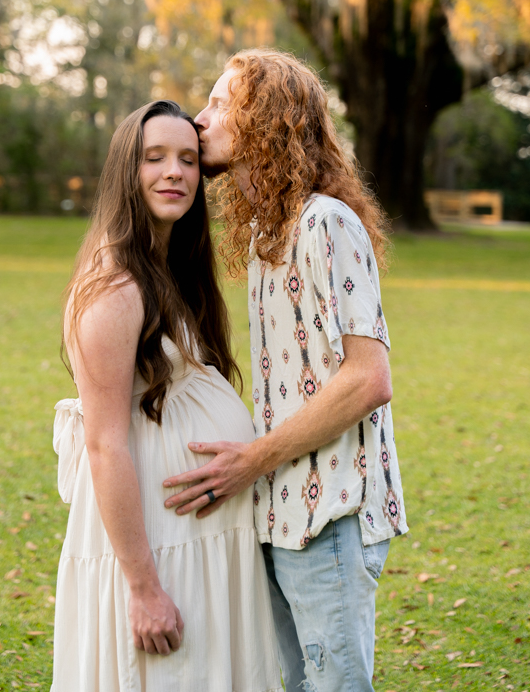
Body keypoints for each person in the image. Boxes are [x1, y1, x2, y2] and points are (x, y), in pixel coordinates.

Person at [163, 51, 408, 692]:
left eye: (220, 104)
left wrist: (250, 460)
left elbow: (367, 379)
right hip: (281, 516)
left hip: (330, 515)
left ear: (264, 120)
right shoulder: (266, 233)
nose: (200, 118)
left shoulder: (325, 222)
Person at [50, 99, 281, 692]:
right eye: (154, 158)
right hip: (159, 544)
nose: (174, 172)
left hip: (195, 537)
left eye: (187, 159)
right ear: (127, 172)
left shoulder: (166, 268)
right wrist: (144, 588)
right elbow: (104, 445)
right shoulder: (114, 285)